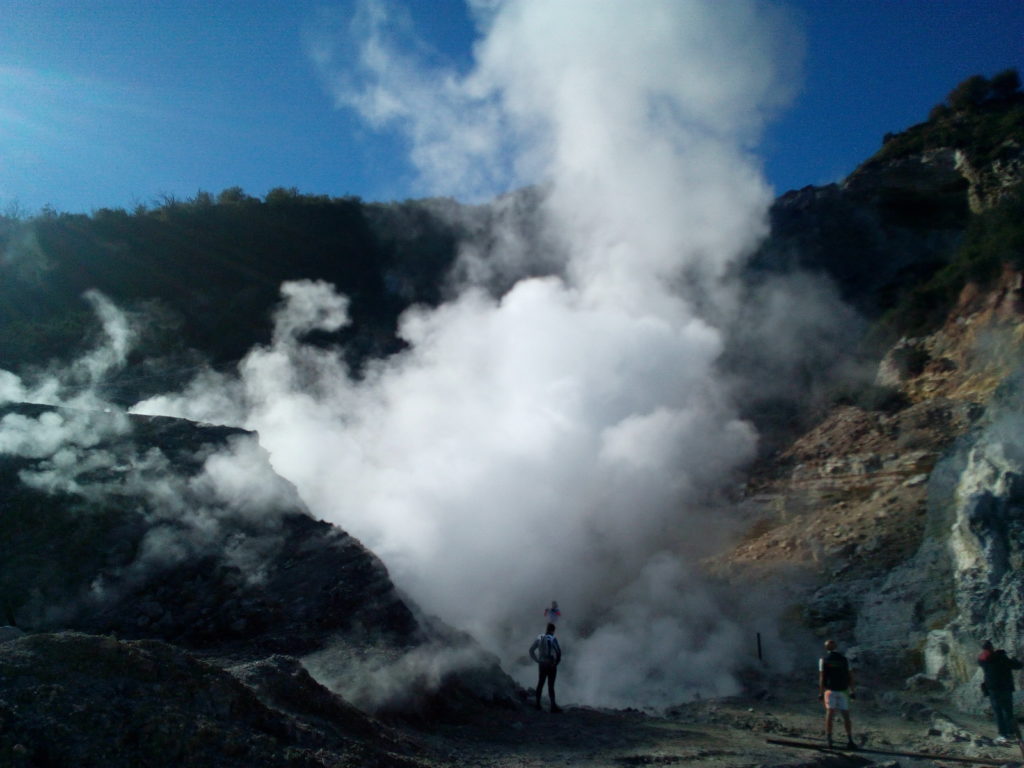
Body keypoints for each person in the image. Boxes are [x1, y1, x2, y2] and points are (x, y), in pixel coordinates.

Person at [978, 640, 1023, 745]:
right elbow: (1017, 666)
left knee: (998, 712)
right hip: (1005, 688)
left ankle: (1002, 735)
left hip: (992, 689)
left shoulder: (983, 659)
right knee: (1008, 711)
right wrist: (1007, 656)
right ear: (992, 647)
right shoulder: (1002, 658)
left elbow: (983, 660)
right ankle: (1011, 733)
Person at [818, 639, 856, 750]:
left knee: (830, 713)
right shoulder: (845, 660)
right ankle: (850, 740)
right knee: (846, 715)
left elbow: (821, 677)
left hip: (830, 690)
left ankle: (829, 739)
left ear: (826, 648)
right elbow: (851, 676)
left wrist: (820, 692)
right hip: (843, 690)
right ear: (836, 647)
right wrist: (853, 691)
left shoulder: (823, 660)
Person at [530, 623, 562, 713]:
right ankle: (553, 706)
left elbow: (531, 650)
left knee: (540, 683)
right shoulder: (553, 639)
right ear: (552, 631)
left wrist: (536, 660)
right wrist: (556, 663)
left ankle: (537, 704)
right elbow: (558, 652)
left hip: (542, 664)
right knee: (551, 686)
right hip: (551, 664)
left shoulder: (540, 637)